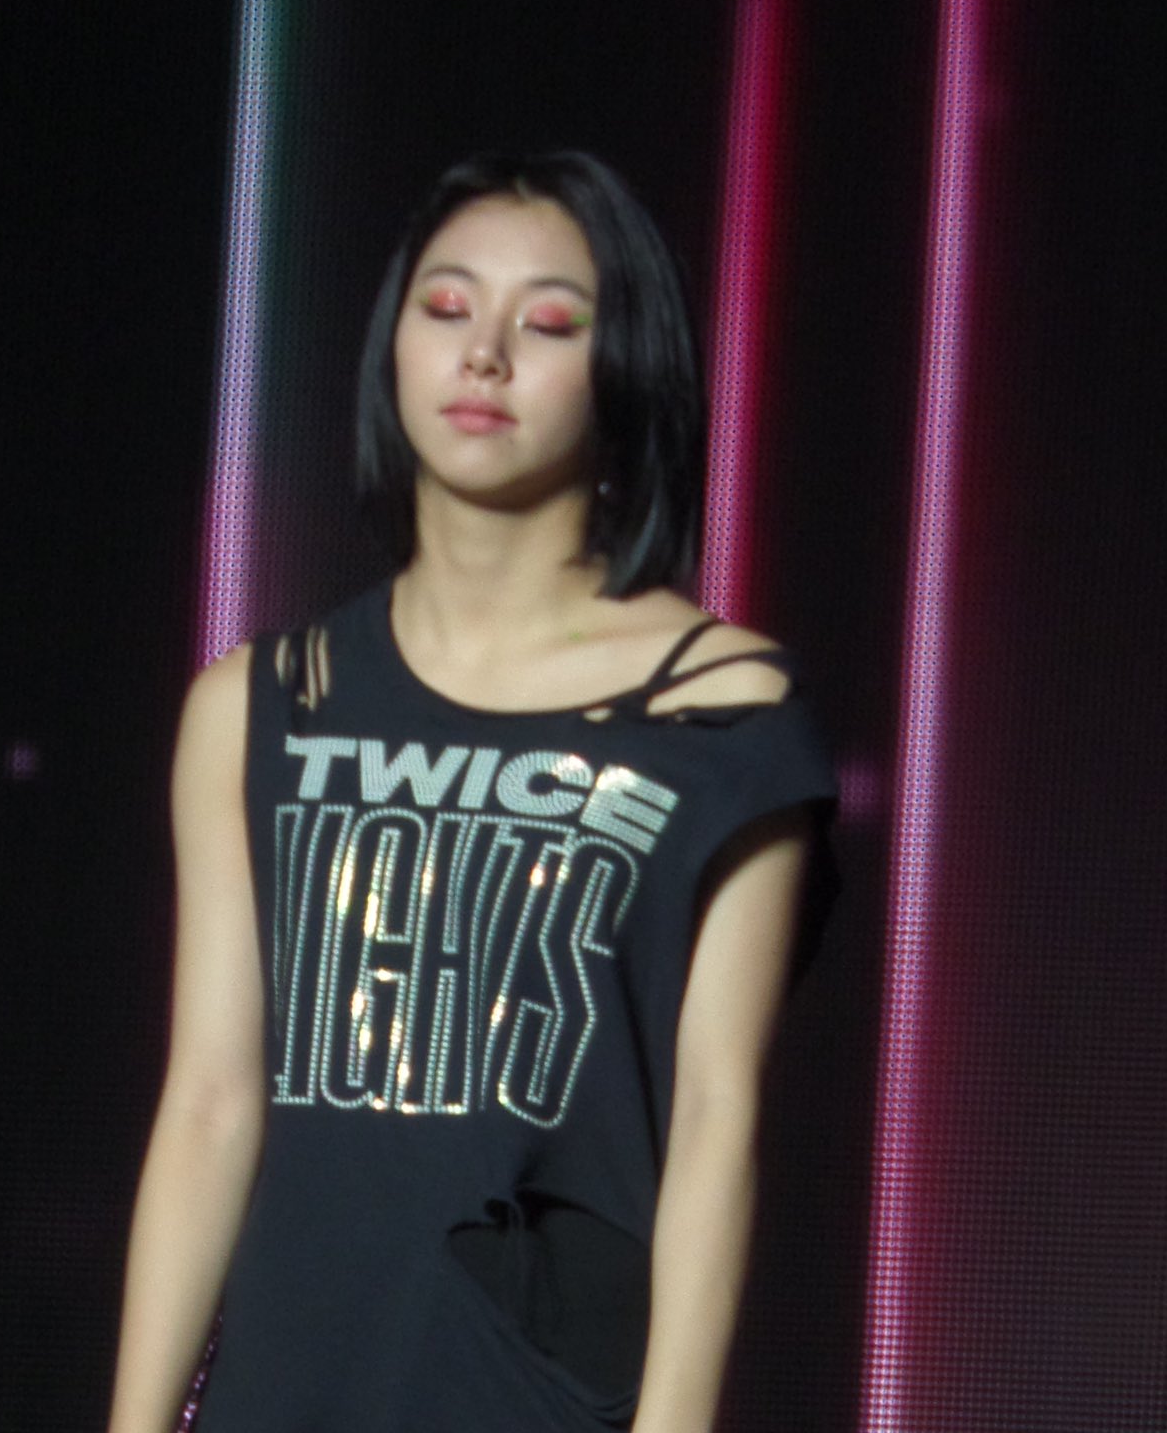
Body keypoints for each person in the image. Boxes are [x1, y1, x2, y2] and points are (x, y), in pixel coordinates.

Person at [106, 150, 835, 1433]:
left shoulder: (722, 715)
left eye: (546, 323)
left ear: (625, 366)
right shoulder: (259, 706)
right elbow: (212, 1102)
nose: (482, 355)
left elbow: (715, 1124)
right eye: (446, 308)